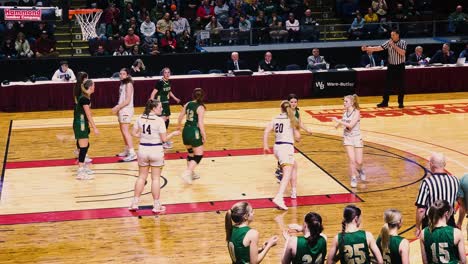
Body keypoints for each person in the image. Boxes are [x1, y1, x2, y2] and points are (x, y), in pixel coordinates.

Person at [128, 99, 180, 213]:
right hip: (156, 150)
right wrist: (173, 133)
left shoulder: (140, 118)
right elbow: (164, 139)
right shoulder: (159, 121)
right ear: (153, 108)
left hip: (143, 149)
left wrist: (142, 136)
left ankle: (134, 203)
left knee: (141, 177)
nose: (162, 109)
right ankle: (156, 206)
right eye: (160, 107)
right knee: (155, 179)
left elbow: (133, 133)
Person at [263, 100, 301, 210]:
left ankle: (293, 191)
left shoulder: (275, 118)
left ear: (281, 108)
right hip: (286, 147)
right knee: (287, 173)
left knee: (294, 165)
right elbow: (298, 137)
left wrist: (265, 145)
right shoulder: (291, 119)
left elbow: (266, 131)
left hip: (277, 147)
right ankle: (279, 197)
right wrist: (297, 134)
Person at [415, 152, 460, 237]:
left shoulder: (427, 182)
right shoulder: (455, 180)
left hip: (431, 224)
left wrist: (417, 227)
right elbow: (460, 202)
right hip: (449, 222)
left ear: (431, 164)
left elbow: (421, 209)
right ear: (444, 164)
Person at [362, 29, 407, 108]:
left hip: (400, 66)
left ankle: (400, 102)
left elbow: (402, 53)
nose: (391, 36)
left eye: (393, 35)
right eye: (391, 35)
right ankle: (385, 102)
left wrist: (393, 46)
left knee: (400, 85)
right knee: (387, 85)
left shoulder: (403, 42)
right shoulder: (389, 42)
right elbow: (379, 48)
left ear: (397, 35)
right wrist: (367, 48)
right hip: (391, 66)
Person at [274, 94, 312, 183]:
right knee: (285, 152)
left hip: (291, 134)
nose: (294, 104)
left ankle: (283, 169)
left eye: (295, 102)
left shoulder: (297, 112)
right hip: (285, 135)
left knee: (287, 153)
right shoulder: (287, 112)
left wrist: (306, 130)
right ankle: (280, 171)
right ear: (288, 103)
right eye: (291, 102)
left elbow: (299, 123)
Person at [332, 94, 365, 188]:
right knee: (352, 160)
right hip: (348, 138)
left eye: (346, 101)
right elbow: (344, 120)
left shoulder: (357, 112)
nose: (344, 103)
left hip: (357, 138)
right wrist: (337, 126)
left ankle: (361, 169)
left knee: (359, 161)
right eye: (344, 101)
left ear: (352, 102)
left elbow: (350, 125)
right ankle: (353, 177)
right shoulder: (345, 112)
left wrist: (337, 121)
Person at [177, 88, 206, 184]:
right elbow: (200, 123)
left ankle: (191, 173)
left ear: (193, 95)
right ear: (202, 96)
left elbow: (180, 116)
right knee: (198, 155)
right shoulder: (200, 107)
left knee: (190, 153)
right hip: (194, 131)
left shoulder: (188, 104)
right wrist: (204, 135)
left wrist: (178, 127)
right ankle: (188, 172)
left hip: (186, 130)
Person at [73, 79, 99, 180]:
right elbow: (88, 115)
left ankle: (83, 167)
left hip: (81, 123)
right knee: (83, 148)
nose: (94, 87)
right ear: (90, 87)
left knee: (85, 145)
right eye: (94, 85)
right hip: (81, 124)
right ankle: (80, 172)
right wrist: (95, 128)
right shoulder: (84, 99)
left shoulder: (84, 97)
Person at [149, 67, 181, 149]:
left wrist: (175, 98)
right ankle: (162, 141)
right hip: (160, 104)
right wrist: (152, 104)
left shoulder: (168, 81)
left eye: (168, 72)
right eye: (165, 73)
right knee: (162, 122)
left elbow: (169, 91)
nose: (167, 74)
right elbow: (153, 93)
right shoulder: (160, 82)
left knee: (167, 120)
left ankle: (164, 138)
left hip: (166, 103)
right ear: (163, 74)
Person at [112, 68, 137, 162]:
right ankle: (127, 150)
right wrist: (119, 109)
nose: (121, 75)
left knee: (126, 131)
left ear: (127, 75)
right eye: (120, 73)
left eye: (123, 74)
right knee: (123, 131)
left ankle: (132, 153)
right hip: (122, 110)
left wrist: (117, 107)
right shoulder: (122, 84)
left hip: (126, 110)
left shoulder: (129, 84)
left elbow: (127, 101)